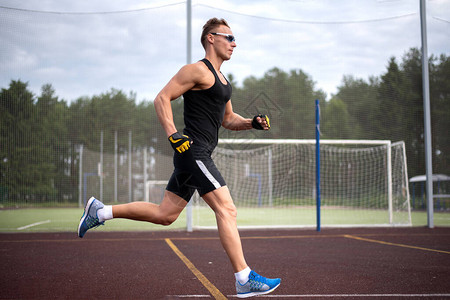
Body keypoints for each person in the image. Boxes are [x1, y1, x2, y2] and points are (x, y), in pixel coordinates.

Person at [77, 17, 281, 298]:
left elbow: (228, 119)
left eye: (235, 39)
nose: (235, 44)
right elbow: (162, 98)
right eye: (229, 38)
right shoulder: (196, 70)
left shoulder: (223, 81)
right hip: (192, 151)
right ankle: (243, 277)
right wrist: (173, 135)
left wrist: (252, 123)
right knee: (227, 210)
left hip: (197, 154)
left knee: (165, 215)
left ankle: (100, 211)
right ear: (211, 38)